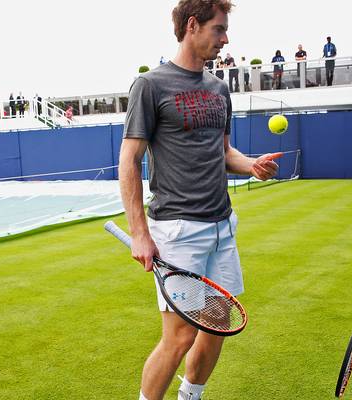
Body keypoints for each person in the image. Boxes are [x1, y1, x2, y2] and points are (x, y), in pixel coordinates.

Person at [119, 1, 282, 399]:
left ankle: (190, 395)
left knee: (216, 324)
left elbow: (225, 152)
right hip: (178, 229)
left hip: (222, 226)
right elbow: (129, 160)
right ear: (193, 25)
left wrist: (252, 165)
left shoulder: (218, 88)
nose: (225, 40)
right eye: (219, 30)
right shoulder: (151, 85)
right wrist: (139, 233)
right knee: (178, 337)